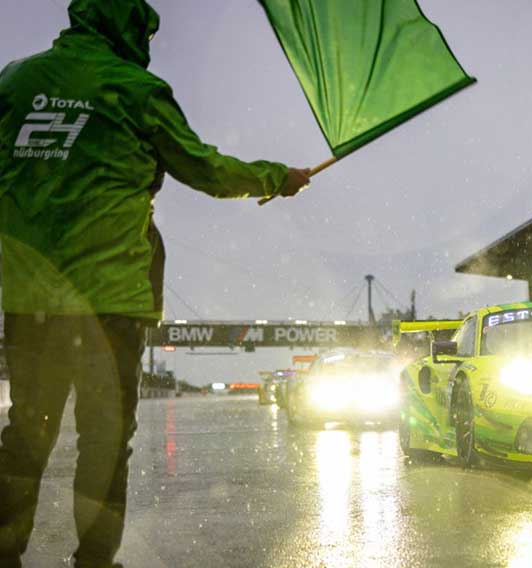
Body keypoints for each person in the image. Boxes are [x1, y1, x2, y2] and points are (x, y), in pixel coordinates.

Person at [0, 1, 310, 566]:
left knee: (24, 435)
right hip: (108, 304)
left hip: (29, 303)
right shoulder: (136, 90)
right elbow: (206, 169)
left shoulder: (15, 81)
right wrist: (276, 178)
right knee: (103, 442)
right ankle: (95, 560)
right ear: (128, 27)